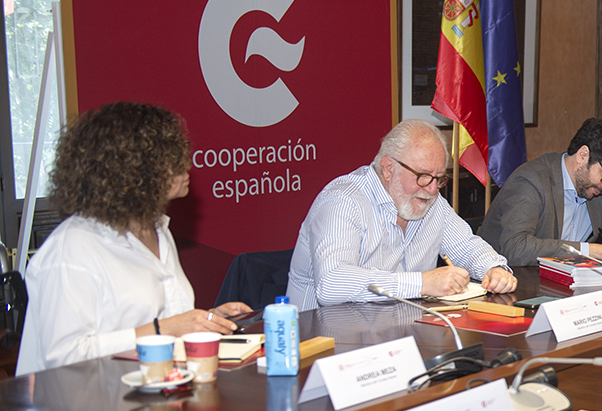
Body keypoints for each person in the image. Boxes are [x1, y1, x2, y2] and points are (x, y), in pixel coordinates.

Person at [17, 102, 251, 376]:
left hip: (153, 390)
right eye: (171, 159)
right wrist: (165, 330)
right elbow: (64, 356)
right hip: (85, 400)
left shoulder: (157, 230)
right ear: (135, 173)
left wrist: (205, 321)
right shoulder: (72, 248)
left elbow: (155, 320)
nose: (186, 165)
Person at [287, 119, 515, 310]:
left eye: (439, 178)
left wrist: (494, 269)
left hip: (398, 333)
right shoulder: (343, 201)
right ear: (388, 168)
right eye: (423, 176)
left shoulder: (430, 201)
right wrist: (421, 283)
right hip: (322, 340)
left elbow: (467, 246)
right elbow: (331, 284)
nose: (432, 189)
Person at [478, 118, 602, 265]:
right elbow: (516, 248)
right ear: (582, 155)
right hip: (508, 282)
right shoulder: (531, 181)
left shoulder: (597, 191)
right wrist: (586, 251)